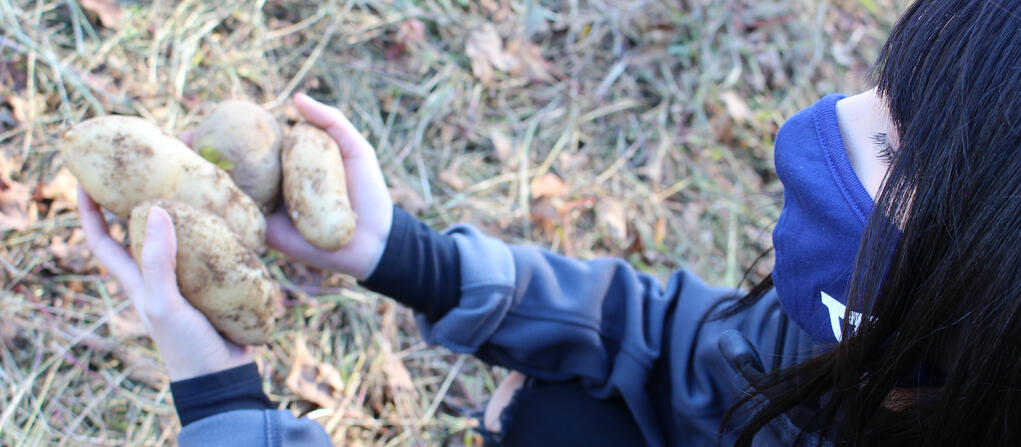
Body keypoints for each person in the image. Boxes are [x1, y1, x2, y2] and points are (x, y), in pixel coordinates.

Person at [77, 0, 1021, 445]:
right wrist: (406, 256)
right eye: (882, 86)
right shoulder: (894, 346)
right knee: (555, 414)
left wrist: (223, 405)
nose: (828, 116)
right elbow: (690, 345)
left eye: (893, 149)